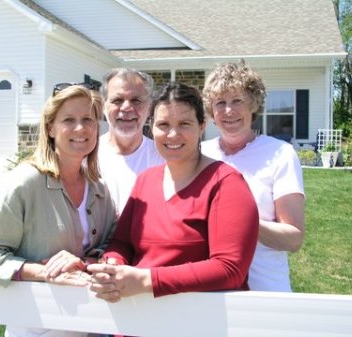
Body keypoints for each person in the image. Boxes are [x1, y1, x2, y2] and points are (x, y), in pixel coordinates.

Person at [0, 84, 118, 337]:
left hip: (93, 323)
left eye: (88, 120)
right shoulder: (22, 184)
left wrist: (85, 263)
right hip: (36, 325)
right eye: (69, 119)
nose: (80, 128)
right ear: (50, 127)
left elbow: (113, 244)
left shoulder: (99, 189)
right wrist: (46, 273)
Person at [88, 82, 259, 303]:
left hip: (197, 323)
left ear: (202, 126)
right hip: (137, 318)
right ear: (151, 127)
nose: (173, 134)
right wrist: (112, 264)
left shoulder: (226, 184)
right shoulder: (146, 180)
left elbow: (230, 268)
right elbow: (122, 243)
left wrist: (147, 280)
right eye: (163, 124)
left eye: (184, 124)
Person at [201, 62, 305, 292]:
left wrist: (242, 222)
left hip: (265, 292)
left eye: (237, 100)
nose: (229, 111)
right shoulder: (200, 154)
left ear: (253, 104)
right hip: (210, 293)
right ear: (211, 111)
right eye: (220, 103)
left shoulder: (279, 154)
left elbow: (293, 238)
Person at [98, 68, 164, 213]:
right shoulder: (86, 156)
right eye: (117, 100)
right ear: (103, 106)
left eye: (136, 100)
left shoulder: (164, 158)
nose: (127, 107)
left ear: (149, 107)